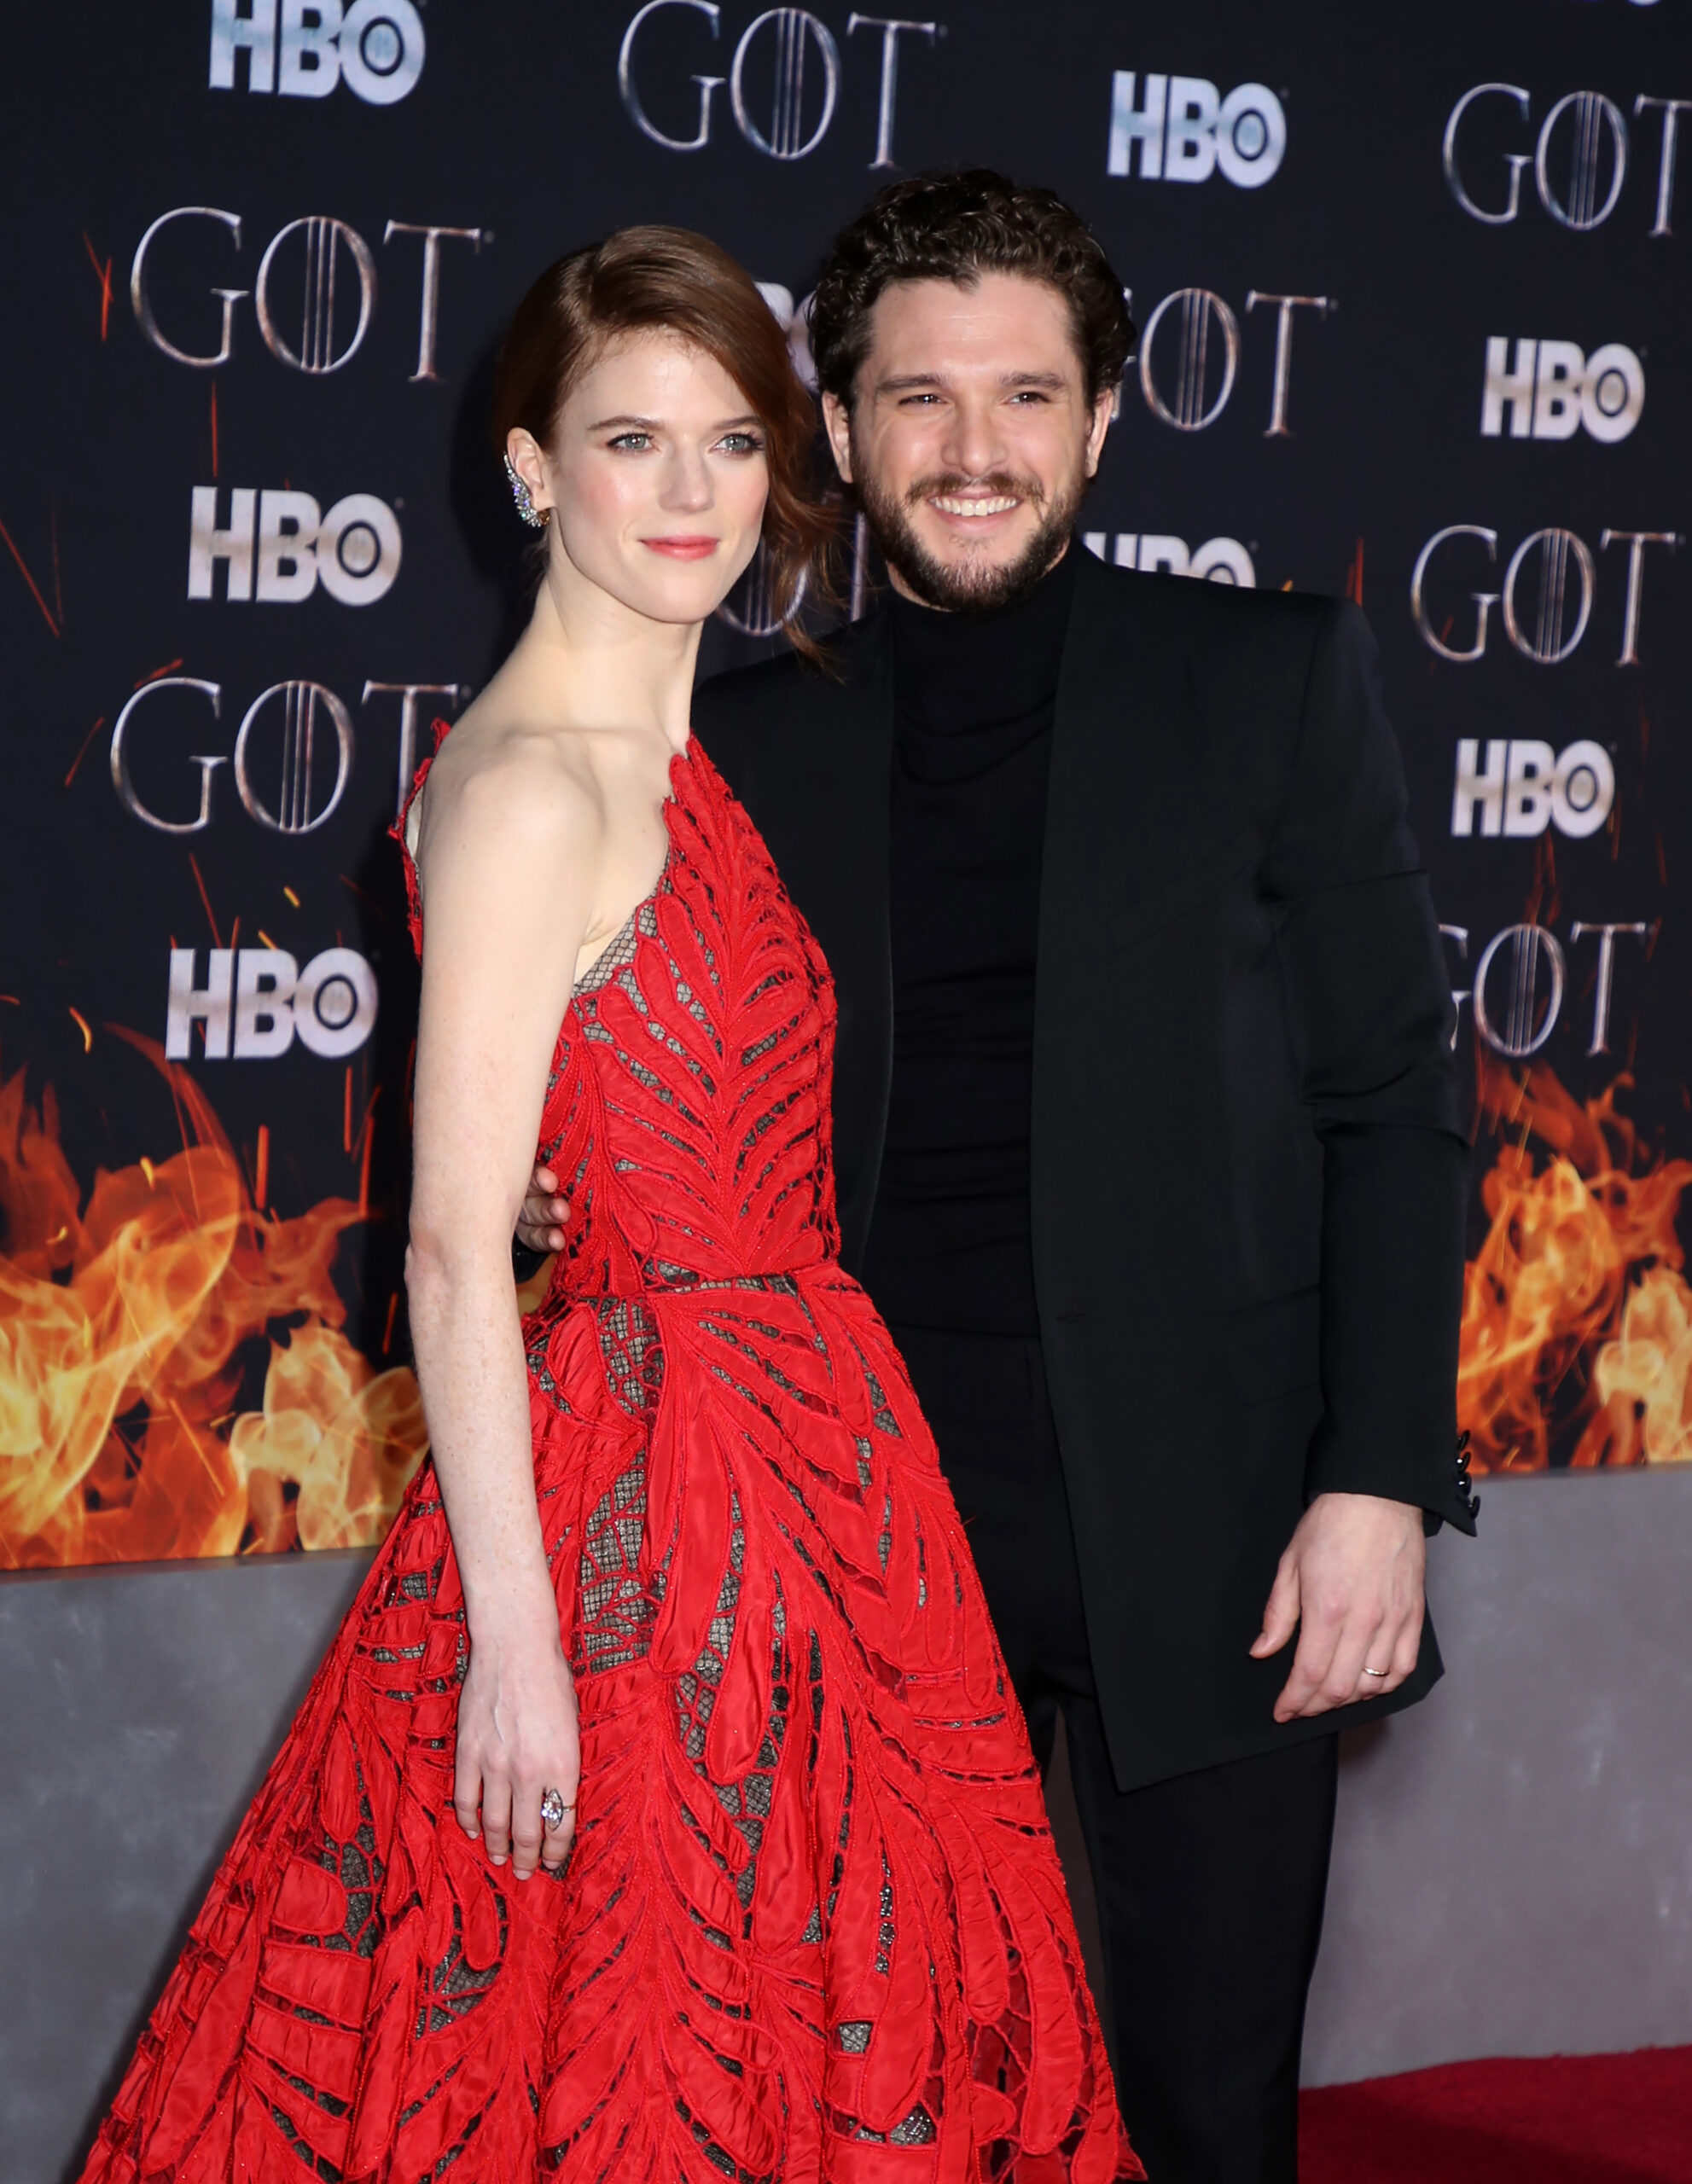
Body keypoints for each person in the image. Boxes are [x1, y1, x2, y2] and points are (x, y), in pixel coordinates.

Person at [78, 227, 1137, 2184]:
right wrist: (517, 1644)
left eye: (727, 444)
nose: (683, 496)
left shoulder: (693, 751)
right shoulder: (531, 792)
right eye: (625, 442)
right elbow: (449, 1244)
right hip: (637, 1523)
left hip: (823, 1482)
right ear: (529, 470)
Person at [520, 172, 1480, 2184]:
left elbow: (1393, 1102)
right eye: (919, 400)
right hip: (838, 1541)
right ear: (842, 429)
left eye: (1025, 397)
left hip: (1214, 1538)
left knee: (1201, 2119)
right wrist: (548, 1203)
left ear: (1102, 423)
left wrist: (1376, 1478)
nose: (974, 452)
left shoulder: (1269, 684)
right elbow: (591, 1089)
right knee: (876, 2115)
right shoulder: (731, 741)